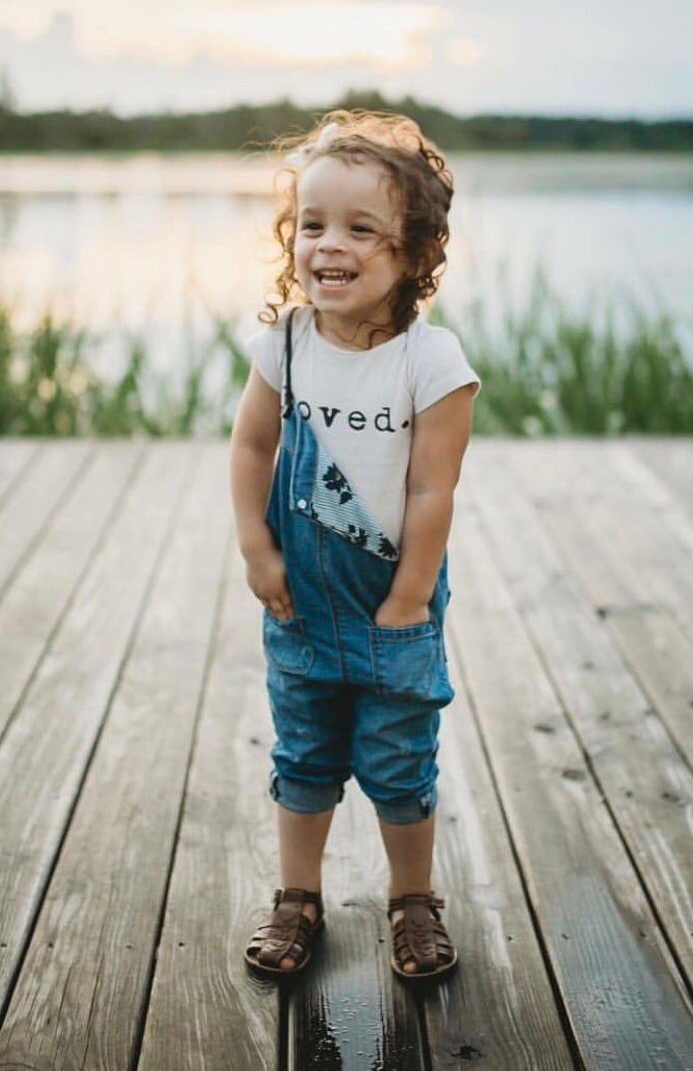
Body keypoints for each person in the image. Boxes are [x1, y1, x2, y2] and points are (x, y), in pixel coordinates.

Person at [230, 110, 480, 980]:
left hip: (392, 610)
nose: (328, 244)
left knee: (399, 766)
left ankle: (412, 900)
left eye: (360, 228)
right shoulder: (285, 345)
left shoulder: (430, 363)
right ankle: (297, 897)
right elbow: (251, 447)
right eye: (312, 224)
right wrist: (256, 548)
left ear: (414, 254)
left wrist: (409, 596)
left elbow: (432, 490)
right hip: (300, 603)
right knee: (302, 757)